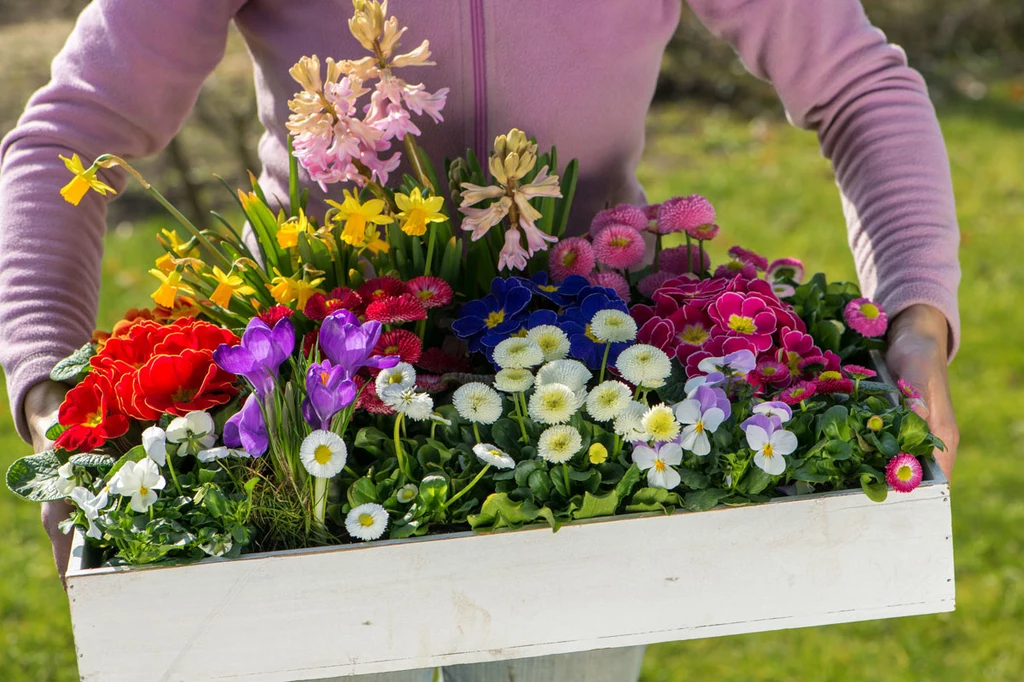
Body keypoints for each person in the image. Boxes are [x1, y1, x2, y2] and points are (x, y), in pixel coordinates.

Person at [0, 1, 960, 680]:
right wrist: (49, 396)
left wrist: (915, 319)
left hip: (582, 414)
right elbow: (72, 134)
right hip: (315, 420)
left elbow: (859, 85)